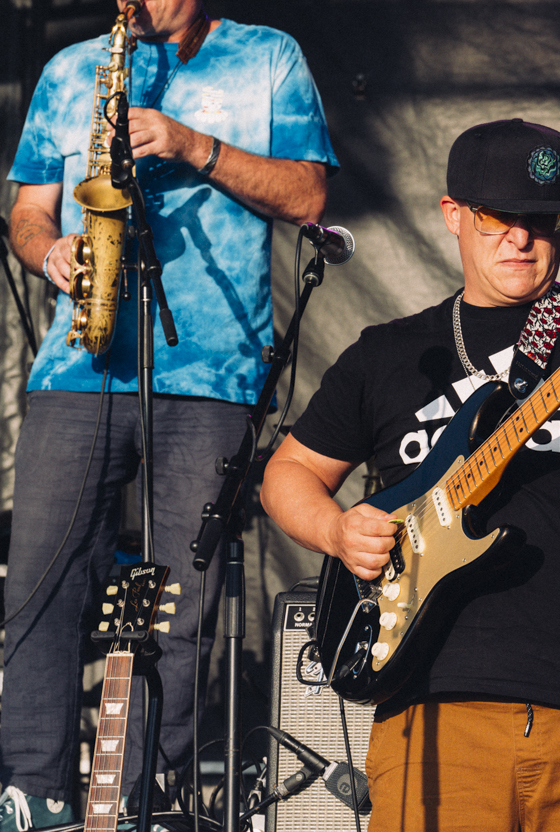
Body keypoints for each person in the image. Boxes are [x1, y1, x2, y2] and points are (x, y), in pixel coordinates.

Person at [259, 118, 560, 832]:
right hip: (433, 711)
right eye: (497, 217)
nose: (521, 238)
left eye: (540, 220)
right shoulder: (390, 353)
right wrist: (336, 530)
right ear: (453, 215)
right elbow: (287, 473)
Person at [1, 0, 337, 827]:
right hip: (79, 365)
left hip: (215, 371)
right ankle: (34, 791)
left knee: (183, 601)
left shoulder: (269, 57)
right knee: (39, 581)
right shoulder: (71, 69)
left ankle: (143, 794)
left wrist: (193, 145)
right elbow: (29, 212)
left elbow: (309, 196)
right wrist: (49, 252)